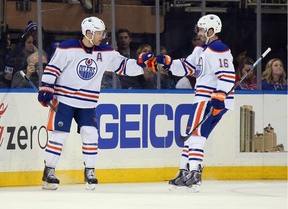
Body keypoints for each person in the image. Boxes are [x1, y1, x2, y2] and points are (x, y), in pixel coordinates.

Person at [37, 16, 155, 190]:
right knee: (59, 135)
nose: (102, 36)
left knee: (91, 134)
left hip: (88, 102)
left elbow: (124, 66)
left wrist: (142, 64)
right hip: (64, 99)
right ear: (88, 32)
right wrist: (46, 88)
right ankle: (49, 171)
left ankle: (90, 171)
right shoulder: (67, 47)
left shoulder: (106, 52)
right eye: (99, 32)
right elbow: (52, 69)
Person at [155, 14, 235, 192]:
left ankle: (195, 174)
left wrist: (219, 96)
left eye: (201, 29)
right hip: (203, 98)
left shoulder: (218, 48)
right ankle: (184, 172)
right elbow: (186, 67)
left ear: (211, 31)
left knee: (196, 135)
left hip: (210, 99)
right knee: (191, 134)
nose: (198, 33)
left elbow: (227, 75)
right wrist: (167, 62)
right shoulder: (201, 50)